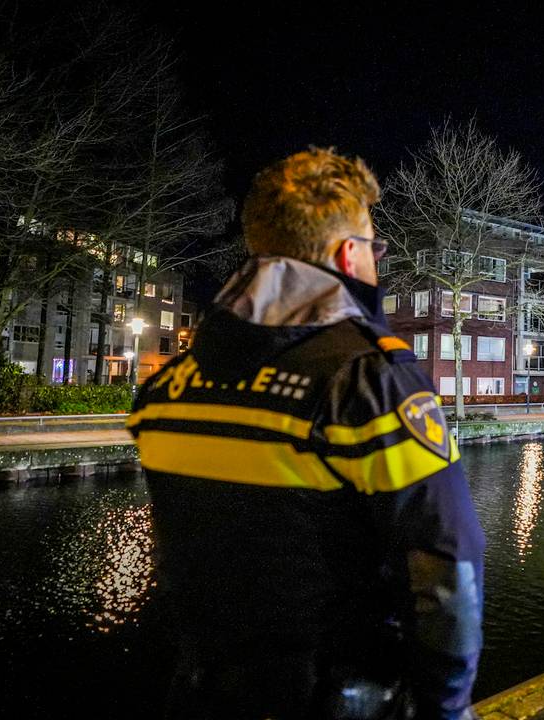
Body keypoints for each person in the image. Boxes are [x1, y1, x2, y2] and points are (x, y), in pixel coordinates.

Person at [128, 148, 485, 720]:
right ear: (350, 253)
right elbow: (448, 568)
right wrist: (448, 708)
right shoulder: (369, 382)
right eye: (375, 248)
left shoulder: (168, 388)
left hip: (200, 696)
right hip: (337, 701)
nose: (377, 263)